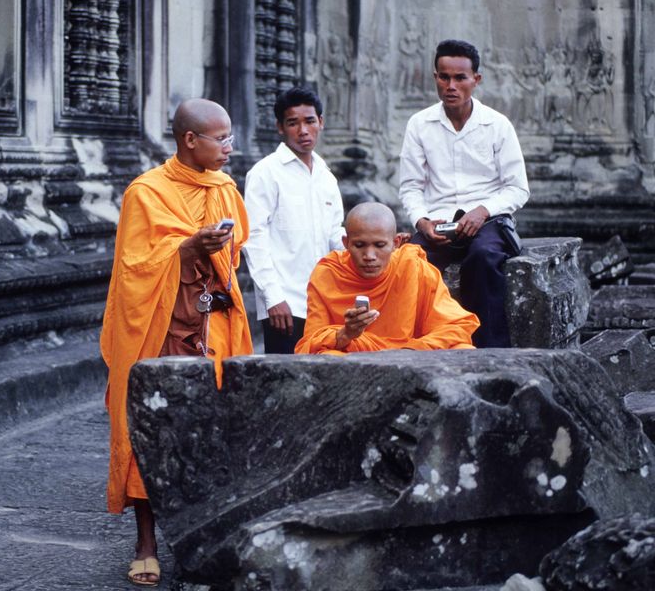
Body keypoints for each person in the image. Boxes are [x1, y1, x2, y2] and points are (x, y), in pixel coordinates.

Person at [101, 98, 253, 586]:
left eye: (230, 137)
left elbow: (238, 247)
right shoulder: (146, 192)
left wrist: (214, 249)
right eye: (222, 138)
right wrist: (186, 248)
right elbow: (133, 270)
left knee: (214, 426)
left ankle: (204, 534)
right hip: (163, 325)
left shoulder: (225, 188)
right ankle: (146, 542)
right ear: (190, 140)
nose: (230, 147)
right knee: (153, 427)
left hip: (214, 323)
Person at [398, 39, 530, 347]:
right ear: (435, 78)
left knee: (483, 259)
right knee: (408, 262)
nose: (451, 86)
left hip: (488, 223)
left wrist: (483, 210)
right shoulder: (420, 124)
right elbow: (411, 187)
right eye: (444, 77)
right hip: (439, 224)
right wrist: (422, 222)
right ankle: (412, 348)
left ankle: (490, 352)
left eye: (460, 78)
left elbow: (518, 188)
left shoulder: (497, 125)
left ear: (476, 80)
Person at [295, 203, 479, 354]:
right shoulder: (328, 273)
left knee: (464, 350)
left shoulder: (412, 267)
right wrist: (345, 334)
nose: (369, 255)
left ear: (395, 243)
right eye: (359, 245)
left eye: (380, 245)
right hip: (353, 354)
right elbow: (308, 345)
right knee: (327, 357)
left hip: (411, 353)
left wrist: (408, 351)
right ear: (346, 243)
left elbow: (456, 326)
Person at [243, 87, 345, 353]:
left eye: (310, 121)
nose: (303, 130)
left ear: (320, 122)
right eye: (293, 123)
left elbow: (336, 235)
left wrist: (372, 246)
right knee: (283, 385)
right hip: (284, 305)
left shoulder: (326, 176)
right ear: (280, 127)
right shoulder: (265, 173)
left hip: (325, 300)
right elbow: (253, 238)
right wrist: (273, 298)